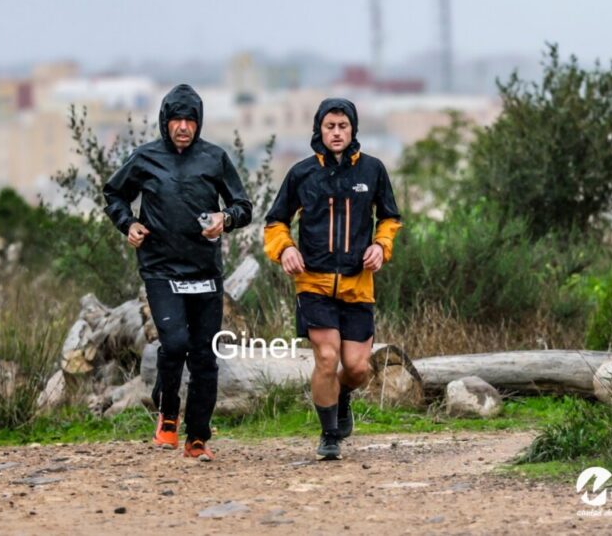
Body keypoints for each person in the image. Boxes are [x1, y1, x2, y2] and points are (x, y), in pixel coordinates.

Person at [103, 84, 253, 461]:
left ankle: (197, 437)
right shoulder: (145, 158)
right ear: (165, 122)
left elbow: (243, 205)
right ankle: (168, 411)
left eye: (190, 120)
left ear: (198, 123)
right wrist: (128, 224)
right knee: (173, 344)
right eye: (176, 120)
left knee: (204, 356)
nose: (183, 127)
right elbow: (114, 194)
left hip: (205, 271)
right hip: (160, 269)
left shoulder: (215, 159)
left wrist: (225, 218)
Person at [263, 98, 401, 460]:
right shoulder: (302, 173)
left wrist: (381, 246)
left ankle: (341, 398)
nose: (336, 133)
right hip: (314, 284)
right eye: (330, 126)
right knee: (326, 357)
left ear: (353, 129)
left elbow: (390, 218)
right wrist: (285, 250)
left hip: (358, 285)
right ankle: (329, 436)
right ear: (319, 130)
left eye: (343, 126)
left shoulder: (372, 170)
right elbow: (275, 222)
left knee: (356, 368)